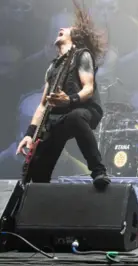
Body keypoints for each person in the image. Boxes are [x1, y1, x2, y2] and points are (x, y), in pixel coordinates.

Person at [16, 0, 111, 190]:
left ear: (74, 37)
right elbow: (43, 105)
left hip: (83, 108)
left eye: (66, 28)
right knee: (36, 170)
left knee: (75, 117)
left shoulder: (82, 55)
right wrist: (30, 134)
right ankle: (39, 195)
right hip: (57, 117)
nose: (61, 28)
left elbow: (88, 88)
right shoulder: (52, 67)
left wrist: (70, 99)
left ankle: (98, 171)